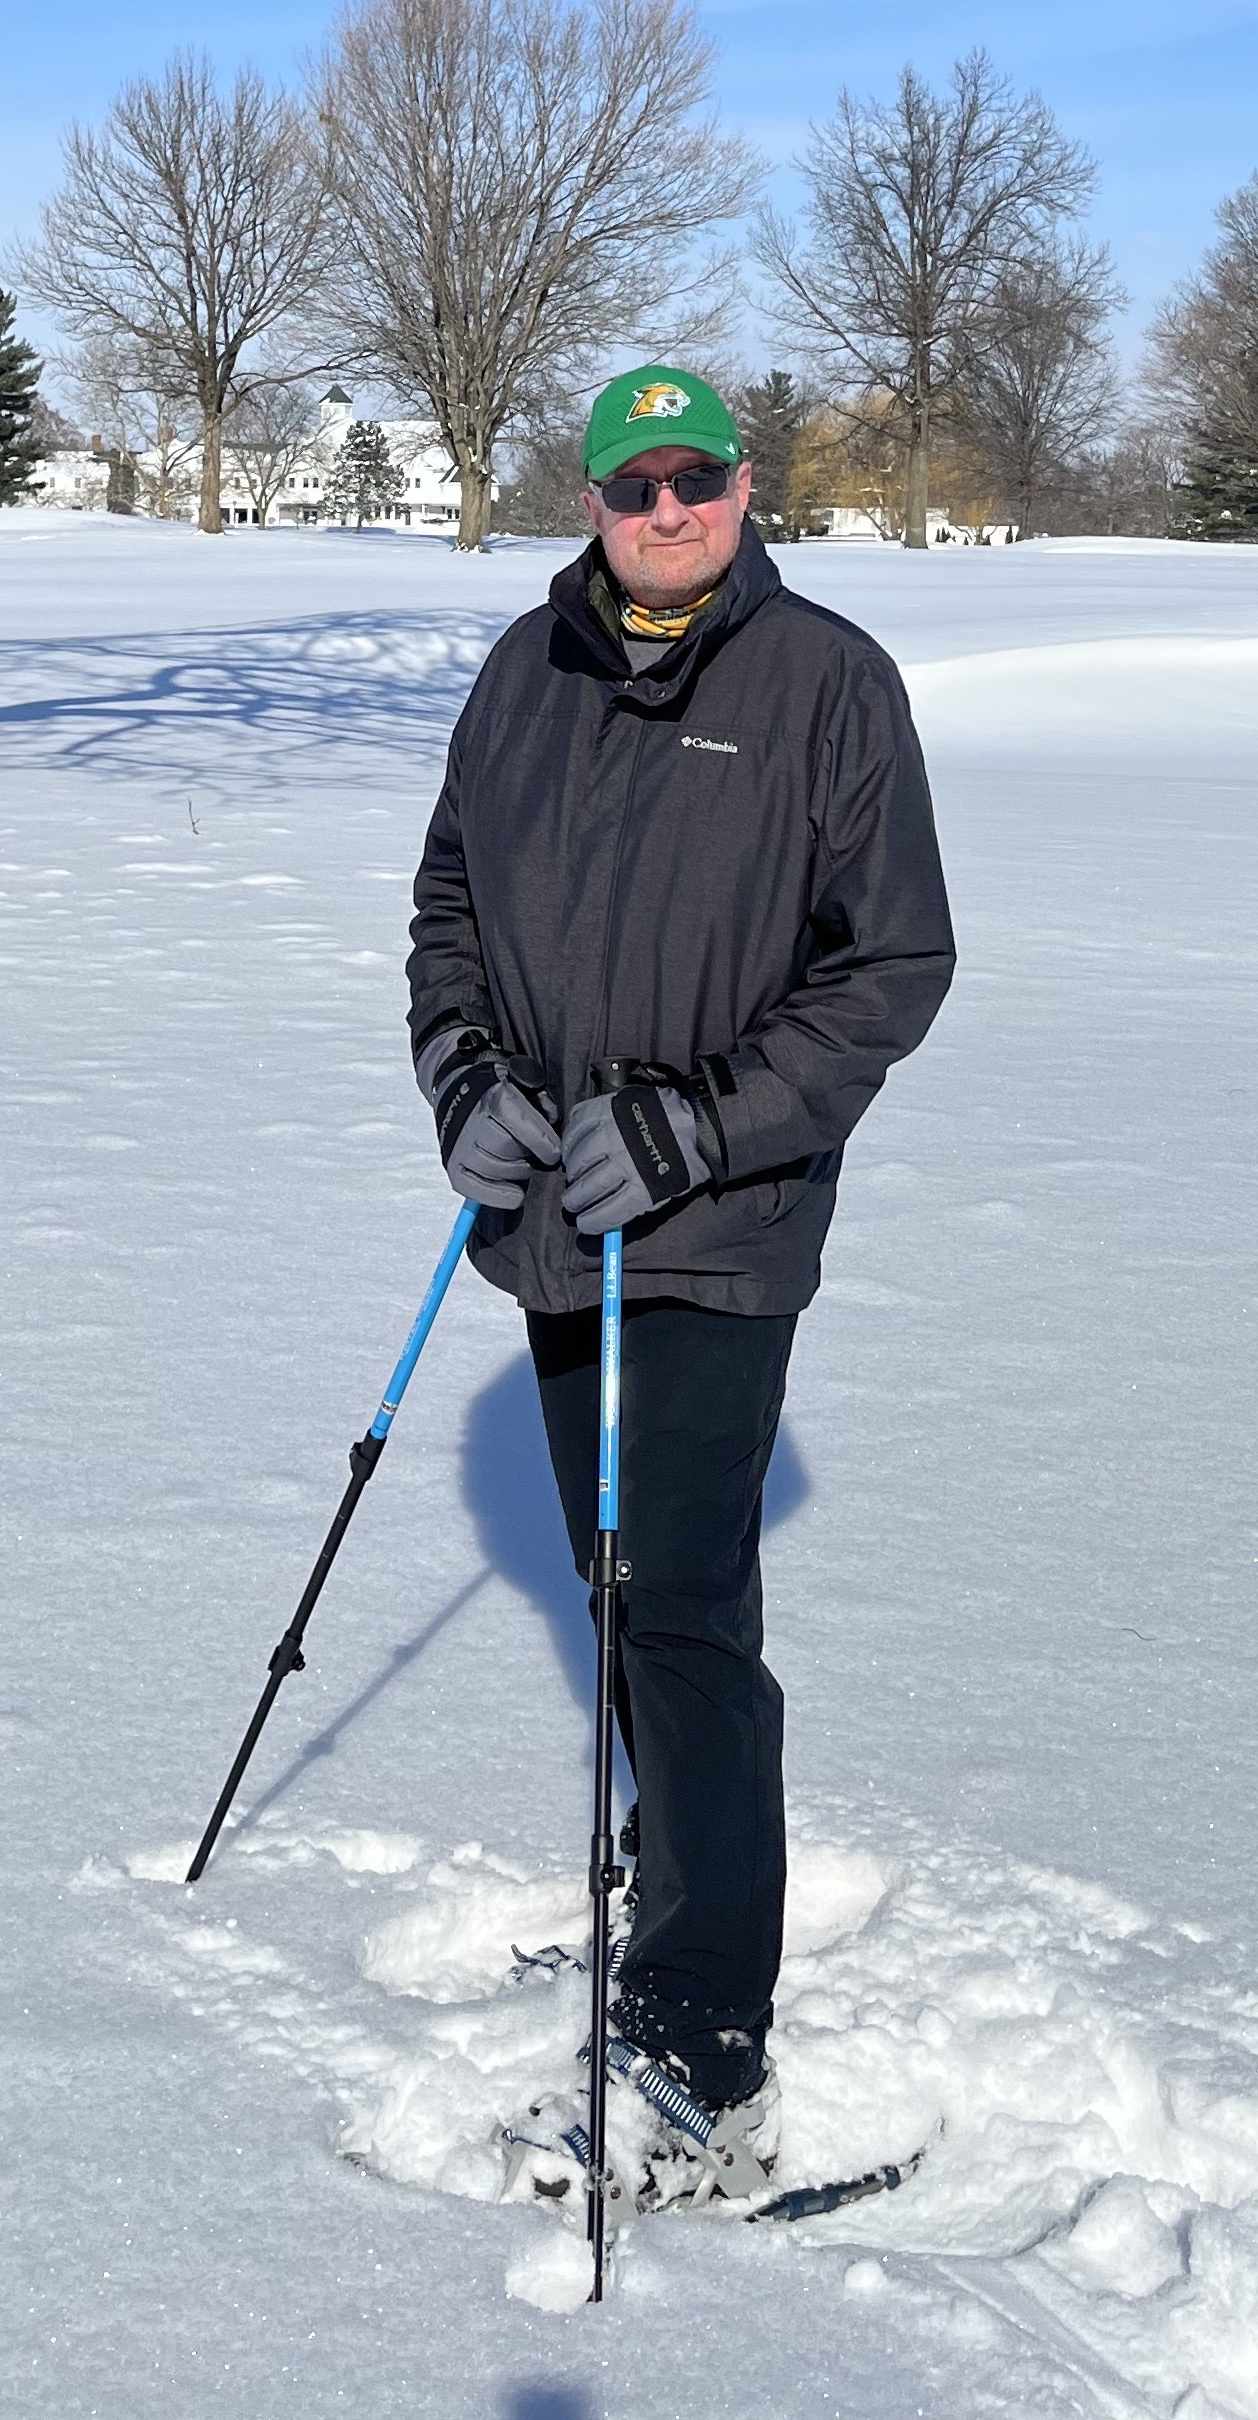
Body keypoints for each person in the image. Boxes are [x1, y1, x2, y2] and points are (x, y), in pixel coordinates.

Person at [407, 364, 956, 2210]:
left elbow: (889, 967)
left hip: (718, 1225)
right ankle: (672, 1895)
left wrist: (703, 1131)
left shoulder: (826, 685)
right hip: (556, 1213)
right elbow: (447, 913)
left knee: (684, 1606)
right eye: (634, 482)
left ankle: (706, 2036)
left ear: (742, 488)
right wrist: (464, 1085)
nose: (668, 508)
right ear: (589, 497)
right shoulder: (523, 669)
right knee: (612, 1580)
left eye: (698, 477)